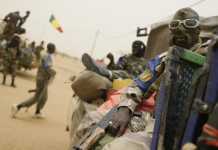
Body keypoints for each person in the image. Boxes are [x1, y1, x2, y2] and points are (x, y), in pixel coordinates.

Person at [11, 43, 56, 118]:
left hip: (41, 78)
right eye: (54, 48)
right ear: (51, 49)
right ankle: (18, 106)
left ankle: (37, 112)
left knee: (43, 97)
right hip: (43, 79)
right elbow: (47, 68)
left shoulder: (45, 54)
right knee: (37, 98)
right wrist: (54, 73)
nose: (54, 50)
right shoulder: (47, 56)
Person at [82, 40, 148, 80]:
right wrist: (112, 60)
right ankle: (99, 70)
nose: (134, 49)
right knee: (123, 73)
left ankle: (100, 71)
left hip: (137, 84)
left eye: (137, 48)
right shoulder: (127, 57)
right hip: (123, 79)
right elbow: (117, 68)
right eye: (134, 47)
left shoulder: (146, 63)